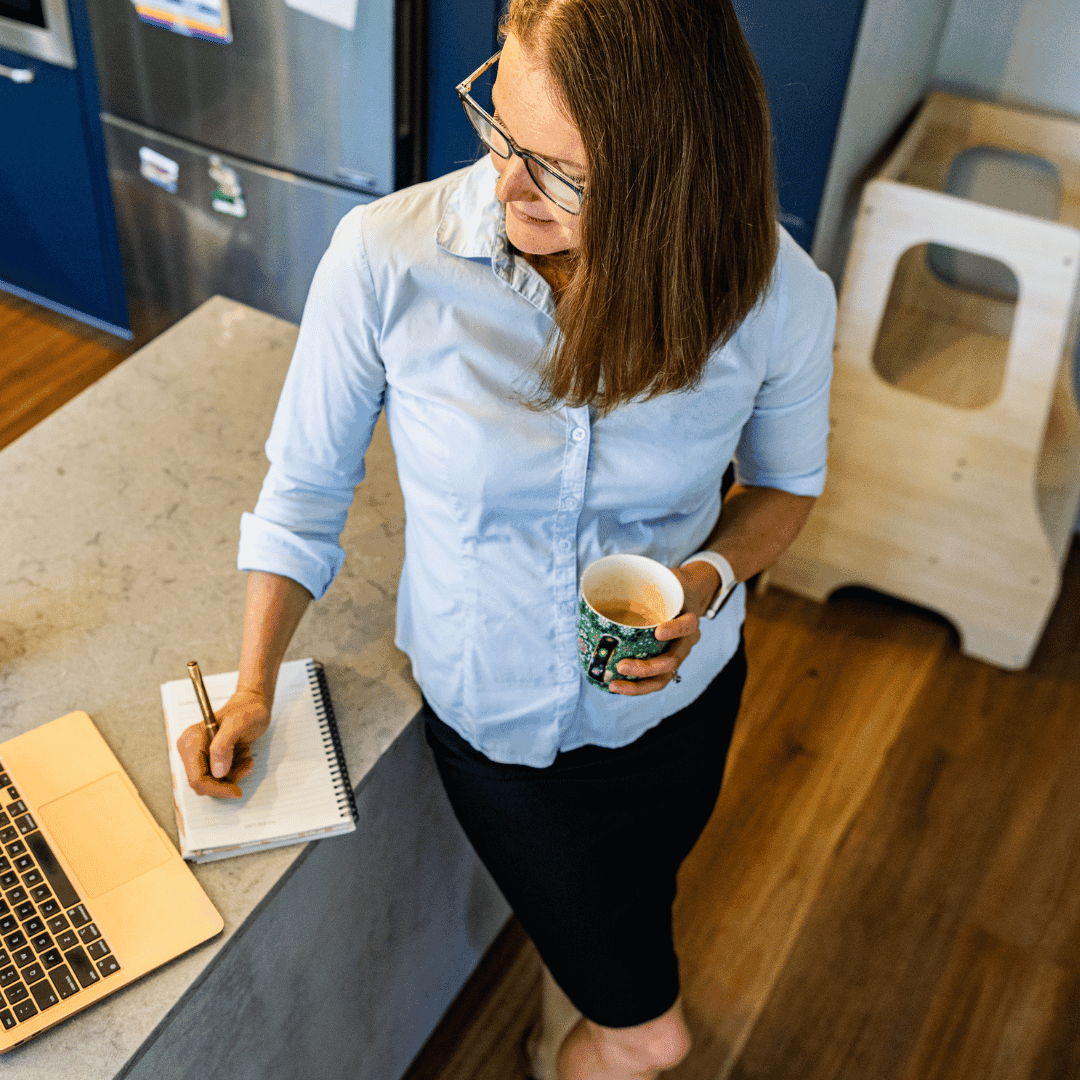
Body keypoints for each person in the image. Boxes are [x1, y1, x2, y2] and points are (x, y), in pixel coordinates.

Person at [176, 1, 836, 1077]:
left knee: (622, 912)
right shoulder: (386, 260)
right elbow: (301, 493)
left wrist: (707, 582)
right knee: (647, 1033)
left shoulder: (776, 291)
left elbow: (786, 490)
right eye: (501, 128)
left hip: (683, 707)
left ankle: (547, 1034)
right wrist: (253, 687)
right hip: (505, 734)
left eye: (562, 172)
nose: (508, 183)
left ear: (675, 170)